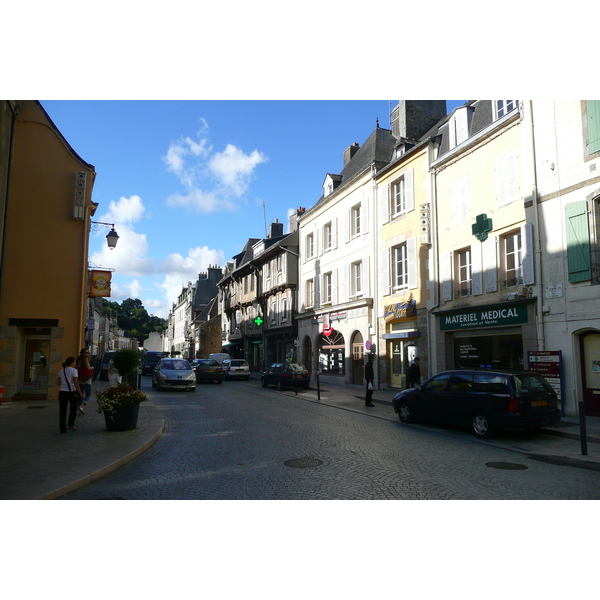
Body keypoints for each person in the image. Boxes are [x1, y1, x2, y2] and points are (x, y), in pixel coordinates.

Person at [57, 357, 84, 433]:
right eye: (75, 362)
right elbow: (76, 383)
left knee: (62, 410)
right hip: (72, 392)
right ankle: (70, 424)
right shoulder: (74, 371)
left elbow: (58, 383)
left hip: (62, 392)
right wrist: (80, 393)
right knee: (73, 409)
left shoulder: (61, 371)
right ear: (72, 362)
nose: (75, 363)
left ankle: (62, 428)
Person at [75, 348, 94, 415]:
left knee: (81, 394)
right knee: (88, 394)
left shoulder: (78, 359)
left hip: (80, 379)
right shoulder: (85, 359)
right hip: (86, 379)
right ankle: (82, 406)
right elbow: (88, 368)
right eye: (86, 352)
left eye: (88, 352)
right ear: (83, 353)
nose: (88, 354)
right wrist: (92, 367)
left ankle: (80, 410)